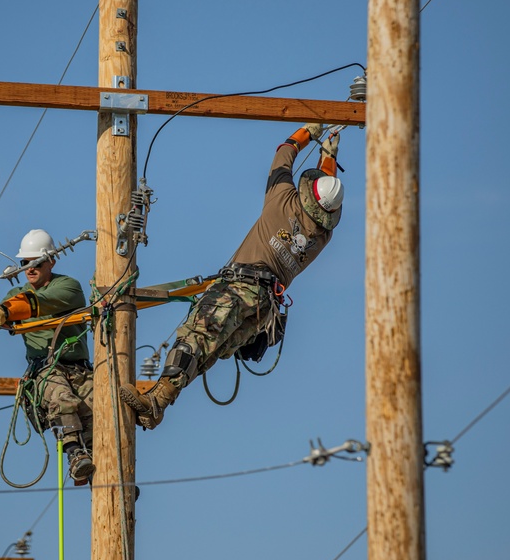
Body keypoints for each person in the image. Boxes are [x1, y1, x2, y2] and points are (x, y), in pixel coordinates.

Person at [119, 123, 345, 429]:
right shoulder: (323, 236)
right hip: (263, 311)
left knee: (194, 337)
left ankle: (156, 401)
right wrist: (329, 155)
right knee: (208, 351)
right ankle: (159, 401)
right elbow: (325, 191)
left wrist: (307, 132)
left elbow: (284, 153)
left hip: (240, 289)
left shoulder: (282, 200)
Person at [0, 229, 95, 486]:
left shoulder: (68, 287)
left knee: (103, 422)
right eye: (25, 263)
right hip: (46, 370)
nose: (30, 268)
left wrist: (3, 310)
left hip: (81, 372)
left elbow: (34, 302)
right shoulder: (15, 295)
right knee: (62, 398)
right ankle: (74, 453)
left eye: (36, 262)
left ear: (51, 260)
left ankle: (112, 481)